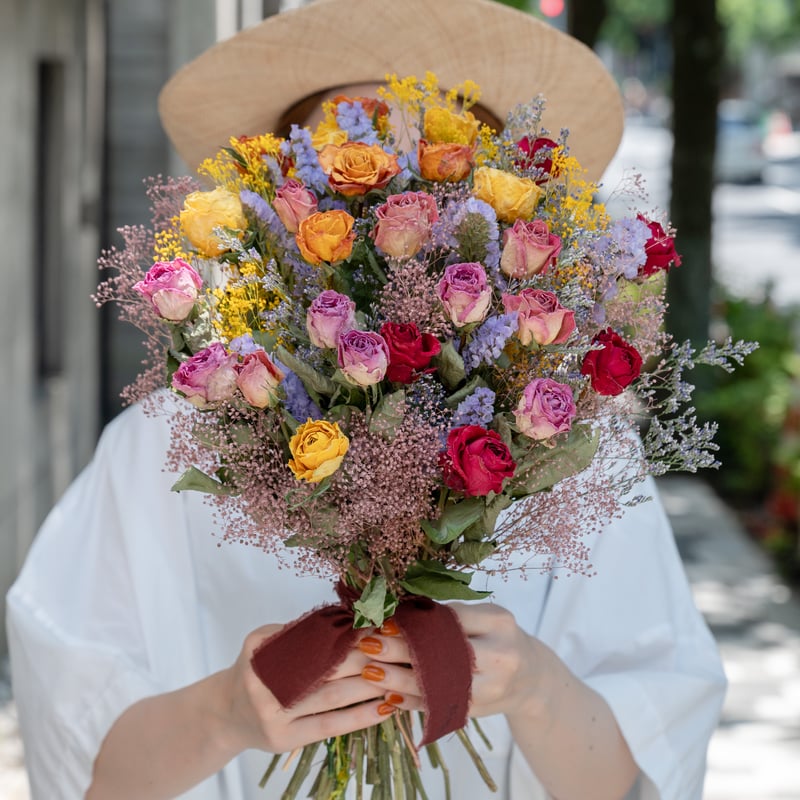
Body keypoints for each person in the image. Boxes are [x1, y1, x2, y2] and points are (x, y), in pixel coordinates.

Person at [6, 1, 726, 798]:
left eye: (437, 156)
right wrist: (227, 713)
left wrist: (536, 690)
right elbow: (81, 758)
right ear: (287, 197)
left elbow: (642, 774)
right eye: (353, 151)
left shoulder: (572, 442)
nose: (396, 189)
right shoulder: (172, 435)